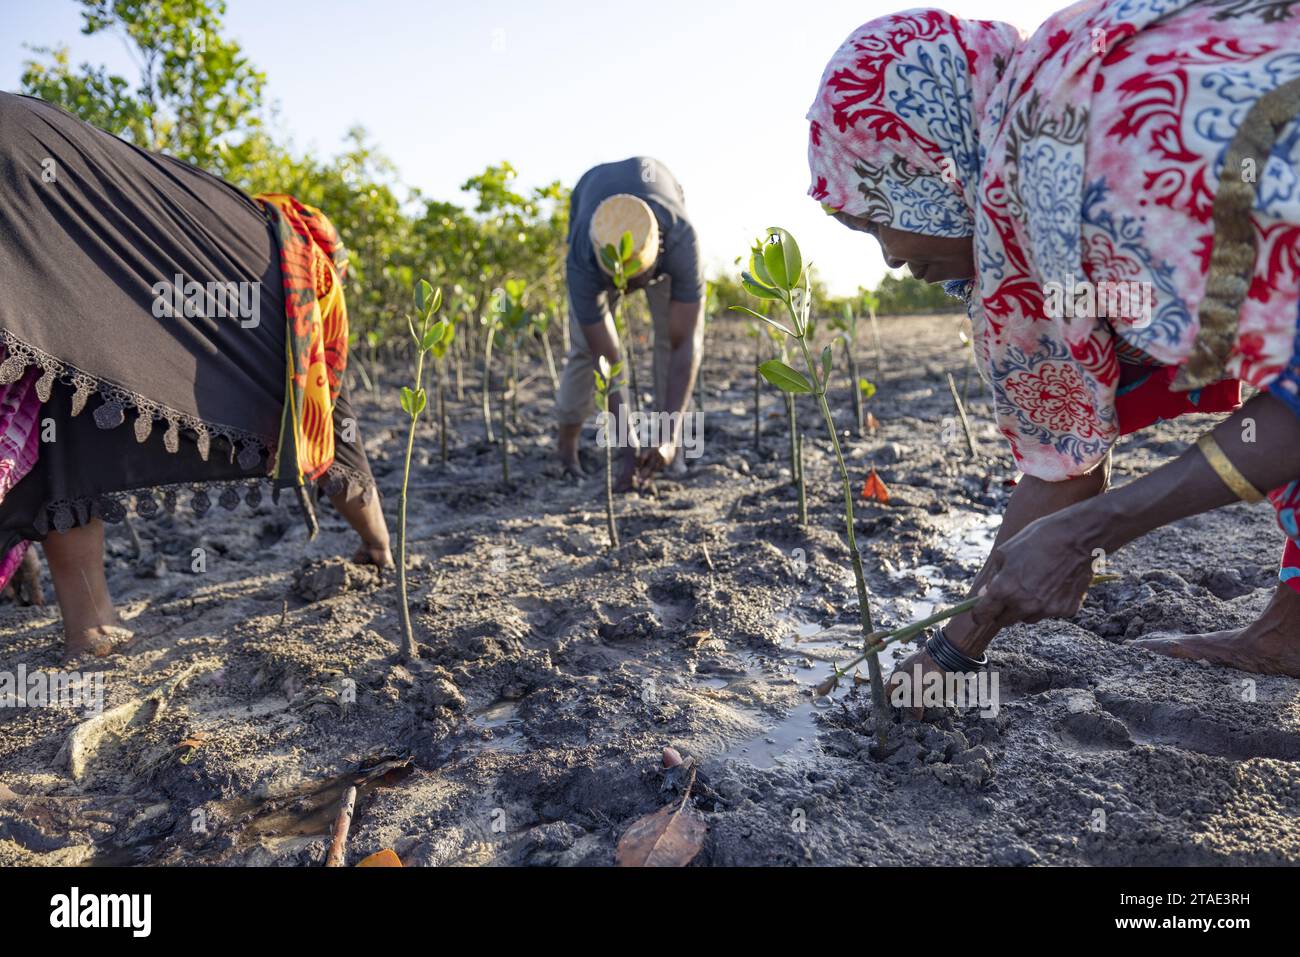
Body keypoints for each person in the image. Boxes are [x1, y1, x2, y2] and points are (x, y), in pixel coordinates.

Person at [805, 1, 1300, 678]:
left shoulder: (1117, 153)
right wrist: (952, 652)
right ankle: (1291, 633)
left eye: (876, 221)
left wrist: (1093, 530)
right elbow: (1064, 463)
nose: (890, 258)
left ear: (929, 163)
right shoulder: (1043, 150)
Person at [0, 92, 392, 660]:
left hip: (30, 152)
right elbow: (332, 426)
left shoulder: (201, 226)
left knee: (60, 390)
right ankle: (90, 627)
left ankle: (90, 622)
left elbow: (43, 405)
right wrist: (378, 544)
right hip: (26, 169)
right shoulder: (300, 278)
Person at [555, 158, 705, 488]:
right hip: (589, 195)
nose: (626, 291)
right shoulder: (584, 256)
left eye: (635, 280)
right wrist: (627, 448)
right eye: (617, 281)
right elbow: (607, 358)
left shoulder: (681, 241)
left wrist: (666, 437)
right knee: (583, 347)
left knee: (671, 339)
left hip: (663, 198)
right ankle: (567, 450)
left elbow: (685, 345)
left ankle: (671, 452)